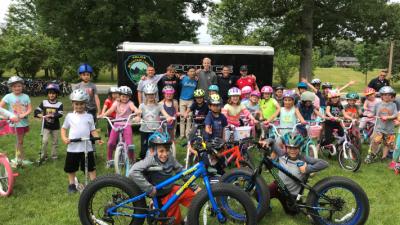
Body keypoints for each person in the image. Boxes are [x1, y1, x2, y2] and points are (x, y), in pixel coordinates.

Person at [129, 133, 198, 225]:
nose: (165, 154)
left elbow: (181, 172)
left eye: (167, 150)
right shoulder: (150, 160)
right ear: (153, 151)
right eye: (161, 151)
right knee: (174, 221)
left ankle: (189, 220)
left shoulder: (170, 158)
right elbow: (133, 171)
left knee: (195, 198)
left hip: (171, 188)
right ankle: (155, 206)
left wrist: (195, 187)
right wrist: (149, 188)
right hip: (162, 196)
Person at [259, 133, 328, 215]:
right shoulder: (282, 154)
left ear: (300, 148)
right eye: (290, 147)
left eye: (295, 148)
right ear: (286, 147)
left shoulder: (303, 158)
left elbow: (324, 163)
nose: (292, 150)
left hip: (291, 195)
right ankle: (265, 207)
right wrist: (267, 141)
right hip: (279, 185)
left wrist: (307, 169)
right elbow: (273, 142)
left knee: (292, 212)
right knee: (258, 194)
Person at [61, 89, 102, 193]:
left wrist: (97, 139)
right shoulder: (70, 116)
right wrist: (64, 138)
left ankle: (94, 184)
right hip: (73, 147)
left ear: (85, 104)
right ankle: (71, 184)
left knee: (90, 167)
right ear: (72, 104)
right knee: (71, 167)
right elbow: (63, 128)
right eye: (76, 104)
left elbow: (92, 130)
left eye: (81, 104)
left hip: (87, 147)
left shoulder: (89, 116)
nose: (79, 106)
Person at [99, 86, 140, 167]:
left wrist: (137, 113)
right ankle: (109, 160)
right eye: (123, 96)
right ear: (119, 96)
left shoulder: (130, 103)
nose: (125, 98)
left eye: (127, 96)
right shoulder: (116, 103)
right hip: (116, 123)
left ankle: (132, 160)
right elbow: (110, 110)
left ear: (130, 97)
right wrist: (103, 115)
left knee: (129, 145)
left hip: (126, 124)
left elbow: (134, 108)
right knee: (110, 143)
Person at [0, 76, 32, 166]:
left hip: (24, 122)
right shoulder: (8, 96)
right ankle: (18, 159)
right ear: (11, 87)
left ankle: (20, 158)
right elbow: (0, 107)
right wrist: (7, 116)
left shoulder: (26, 96)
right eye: (14, 86)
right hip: (15, 123)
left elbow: (29, 109)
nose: (17, 88)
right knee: (19, 141)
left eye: (19, 86)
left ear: (22, 86)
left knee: (20, 141)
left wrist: (23, 115)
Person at [137, 83, 174, 159]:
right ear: (145, 95)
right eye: (148, 94)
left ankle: (156, 161)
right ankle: (143, 163)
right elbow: (138, 114)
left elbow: (165, 113)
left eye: (152, 94)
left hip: (155, 130)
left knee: (155, 148)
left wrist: (168, 117)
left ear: (155, 95)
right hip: (144, 130)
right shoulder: (142, 105)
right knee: (143, 151)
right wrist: (137, 117)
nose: (150, 96)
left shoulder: (159, 106)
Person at [365, 86, 397, 162]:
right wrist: (370, 114)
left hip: (389, 129)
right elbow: (373, 113)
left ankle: (384, 157)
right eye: (385, 95)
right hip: (379, 128)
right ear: (381, 95)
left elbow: (395, 115)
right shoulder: (378, 104)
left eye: (389, 95)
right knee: (375, 141)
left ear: (391, 96)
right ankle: (372, 155)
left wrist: (388, 117)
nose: (387, 96)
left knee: (388, 144)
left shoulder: (393, 105)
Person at [34, 83, 64, 161]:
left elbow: (60, 114)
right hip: (46, 126)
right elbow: (37, 110)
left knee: (55, 143)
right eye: (50, 93)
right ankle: (44, 156)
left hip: (55, 127)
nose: (51, 95)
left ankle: (54, 156)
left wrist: (51, 115)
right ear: (48, 94)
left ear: (56, 94)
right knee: (44, 141)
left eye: (53, 93)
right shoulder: (44, 102)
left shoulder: (59, 104)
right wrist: (39, 115)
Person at [159, 86, 179, 157]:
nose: (169, 95)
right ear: (164, 94)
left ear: (173, 94)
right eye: (167, 94)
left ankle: (172, 153)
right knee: (162, 140)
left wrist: (177, 115)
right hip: (163, 125)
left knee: (172, 139)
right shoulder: (161, 103)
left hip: (172, 125)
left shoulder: (175, 102)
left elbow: (176, 112)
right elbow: (159, 114)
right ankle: (162, 153)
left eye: (170, 94)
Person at [179, 67, 197, 139]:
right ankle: (181, 135)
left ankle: (187, 134)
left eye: (193, 71)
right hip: (182, 99)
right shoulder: (183, 78)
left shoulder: (196, 80)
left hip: (191, 100)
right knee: (182, 118)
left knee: (189, 118)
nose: (192, 73)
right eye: (191, 71)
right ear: (188, 73)